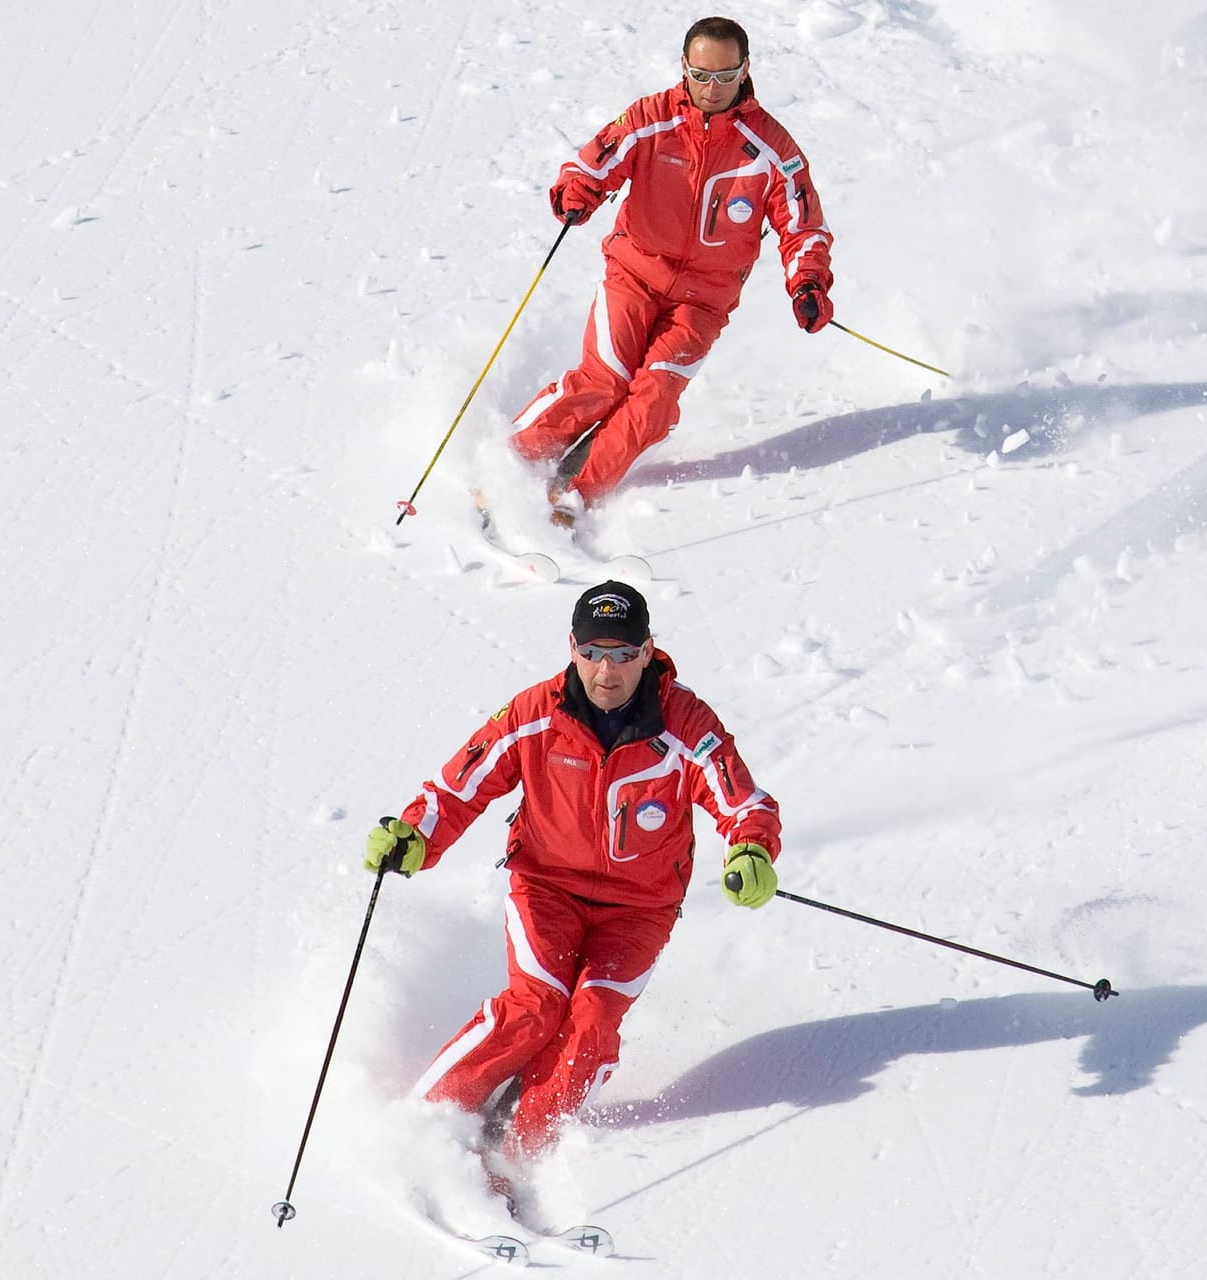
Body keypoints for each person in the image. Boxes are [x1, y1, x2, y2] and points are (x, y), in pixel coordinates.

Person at [364, 579, 782, 1172]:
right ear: (571, 648)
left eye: (620, 655)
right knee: (535, 1007)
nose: (604, 672)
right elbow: (460, 783)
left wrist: (750, 851)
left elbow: (743, 801)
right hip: (546, 887)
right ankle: (426, 1122)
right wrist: (415, 833)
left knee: (590, 1025)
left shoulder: (685, 723)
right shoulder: (536, 712)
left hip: (639, 909)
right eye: (591, 654)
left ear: (647, 651)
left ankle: (516, 1157)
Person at [509, 15, 836, 517]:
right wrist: (578, 192)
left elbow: (802, 224)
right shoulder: (650, 118)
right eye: (700, 75)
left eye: (725, 76)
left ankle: (575, 495)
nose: (711, 88)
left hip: (703, 301)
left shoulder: (772, 149)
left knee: (655, 397)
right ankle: (511, 461)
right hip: (633, 274)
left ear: (745, 70)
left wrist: (807, 282)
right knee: (605, 380)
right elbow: (594, 161)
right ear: (683, 66)